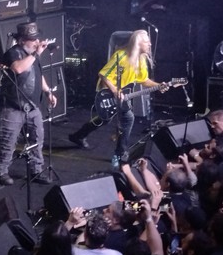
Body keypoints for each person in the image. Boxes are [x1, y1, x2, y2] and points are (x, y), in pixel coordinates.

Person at [68, 29, 167, 169]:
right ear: (138, 43)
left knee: (115, 118)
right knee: (116, 118)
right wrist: (115, 91)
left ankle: (83, 138)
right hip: (108, 92)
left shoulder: (142, 59)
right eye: (147, 42)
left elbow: (143, 80)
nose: (150, 44)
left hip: (123, 94)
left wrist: (158, 85)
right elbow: (103, 74)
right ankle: (118, 153)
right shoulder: (121, 56)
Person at [0, 21, 57, 186]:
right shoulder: (13, 53)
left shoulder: (33, 56)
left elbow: (39, 74)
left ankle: (36, 170)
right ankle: (1, 172)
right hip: (13, 106)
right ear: (22, 40)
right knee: (8, 141)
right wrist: (36, 54)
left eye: (37, 38)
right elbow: (18, 69)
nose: (37, 42)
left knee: (37, 139)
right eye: (32, 39)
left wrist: (48, 92)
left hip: (33, 106)